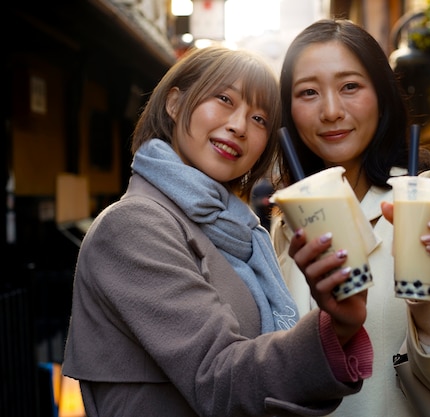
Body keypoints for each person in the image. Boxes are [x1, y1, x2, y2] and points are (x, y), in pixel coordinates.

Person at [62, 45, 374, 417]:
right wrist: (332, 329)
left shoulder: (237, 230)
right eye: (224, 99)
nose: (239, 126)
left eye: (259, 119)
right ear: (175, 104)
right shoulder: (134, 225)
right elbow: (218, 377)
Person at [271, 19, 430, 416]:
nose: (331, 110)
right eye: (308, 92)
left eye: (350, 86)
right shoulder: (287, 224)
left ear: (382, 94)